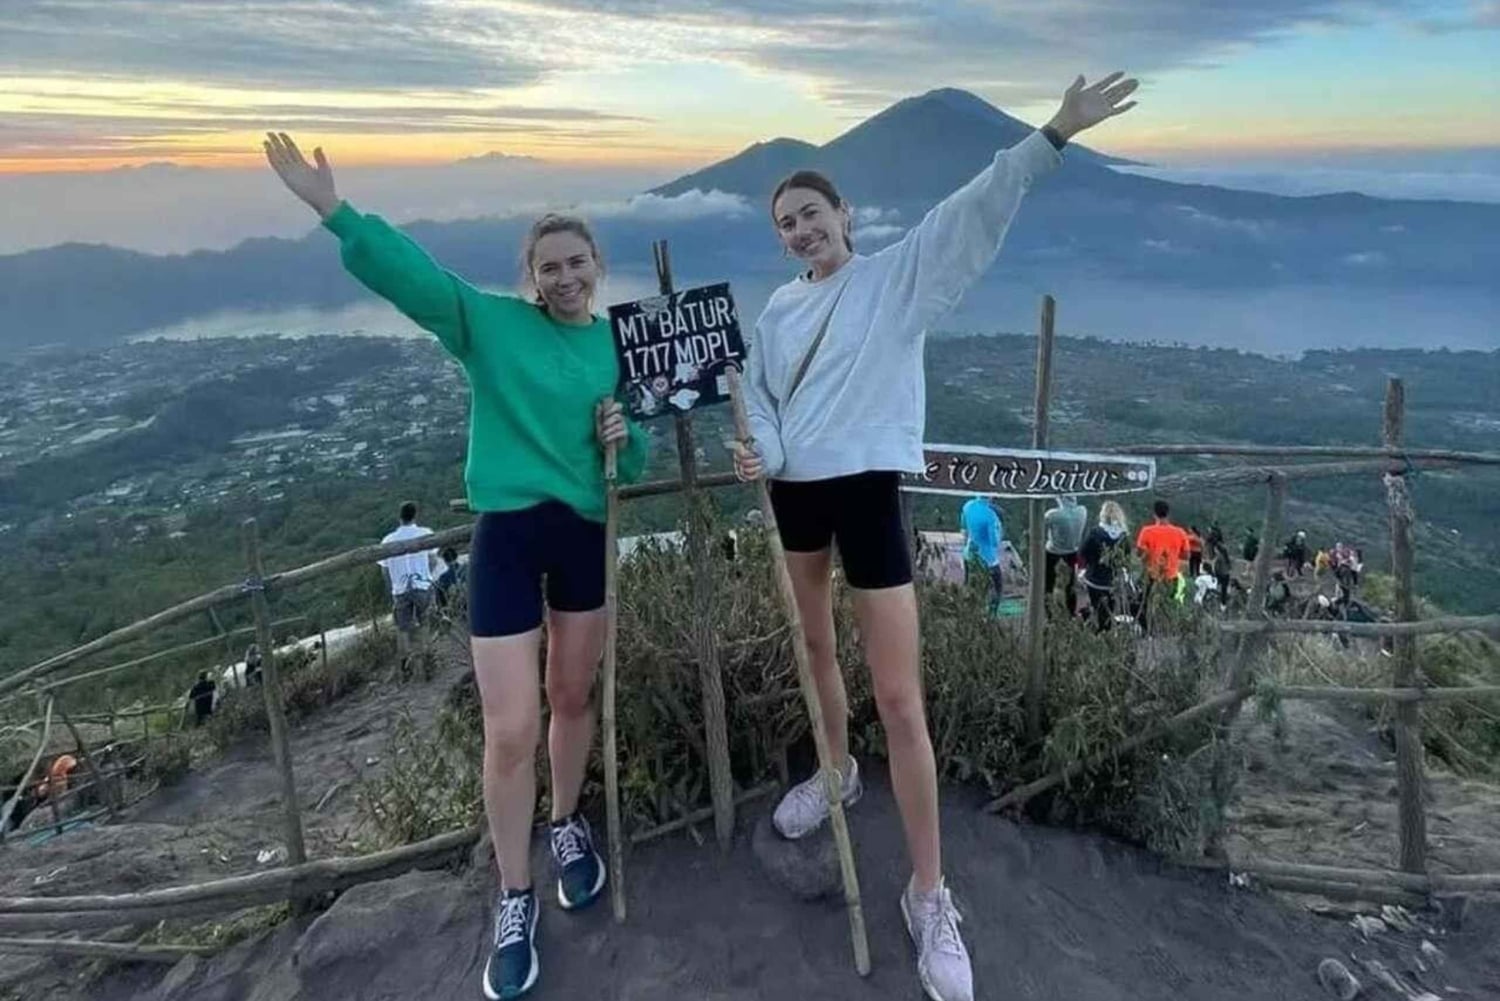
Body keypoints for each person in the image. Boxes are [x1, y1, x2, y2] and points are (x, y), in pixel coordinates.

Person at [730, 73, 1139, 1001]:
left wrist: (1054, 134)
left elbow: (971, 211)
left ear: (844, 213)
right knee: (811, 647)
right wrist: (764, 446)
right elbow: (758, 397)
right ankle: (835, 773)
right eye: (785, 224)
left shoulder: (894, 280)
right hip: (797, 495)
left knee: (899, 696)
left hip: (870, 490)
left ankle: (929, 891)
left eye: (810, 213)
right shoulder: (780, 310)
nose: (799, 232)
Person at [265, 132, 648, 1000]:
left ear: (598, 265)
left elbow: (640, 436)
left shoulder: (616, 344)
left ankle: (566, 824)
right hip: (508, 535)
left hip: (586, 528)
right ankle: (515, 892)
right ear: (530, 272)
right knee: (510, 726)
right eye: (548, 265)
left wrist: (629, 434)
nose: (564, 277)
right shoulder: (491, 325)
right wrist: (334, 211)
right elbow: (419, 281)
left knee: (572, 697)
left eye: (576, 262)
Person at [380, 501, 438, 668]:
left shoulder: (388, 540)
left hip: (400, 589)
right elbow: (433, 560)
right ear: (415, 515)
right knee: (425, 622)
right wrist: (428, 575)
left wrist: (391, 589)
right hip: (422, 585)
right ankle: (427, 657)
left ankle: (405, 663)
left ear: (399, 517)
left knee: (402, 628)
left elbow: (384, 570)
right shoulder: (425, 533)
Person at [1135, 499, 1191, 633]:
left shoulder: (1147, 531)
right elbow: (1187, 556)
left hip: (1151, 575)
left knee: (1143, 604)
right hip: (1170, 576)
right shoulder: (1180, 532)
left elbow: (1139, 553)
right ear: (1168, 514)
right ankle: (1168, 631)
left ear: (1154, 514)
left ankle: (1147, 631)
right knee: (1168, 606)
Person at [1079, 500, 1129, 631]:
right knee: (1110, 609)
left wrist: (1091, 562)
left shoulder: (1095, 533)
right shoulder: (1123, 536)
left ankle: (1099, 633)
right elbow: (1126, 558)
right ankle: (1107, 631)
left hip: (1094, 578)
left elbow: (1083, 552)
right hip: (1113, 581)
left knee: (1097, 607)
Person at [960, 496, 1005, 617]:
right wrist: (999, 528)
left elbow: (964, 530)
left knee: (969, 583)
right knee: (997, 587)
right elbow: (995, 541)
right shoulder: (991, 515)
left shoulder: (967, 505)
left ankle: (968, 613)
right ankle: (992, 616)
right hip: (988, 559)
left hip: (969, 554)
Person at [1043, 495, 1087, 617]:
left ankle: (1048, 612)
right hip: (1072, 550)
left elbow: (1041, 525)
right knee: (1071, 584)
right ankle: (1071, 612)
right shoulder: (1082, 511)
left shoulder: (1053, 514)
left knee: (1048, 583)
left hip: (1053, 551)